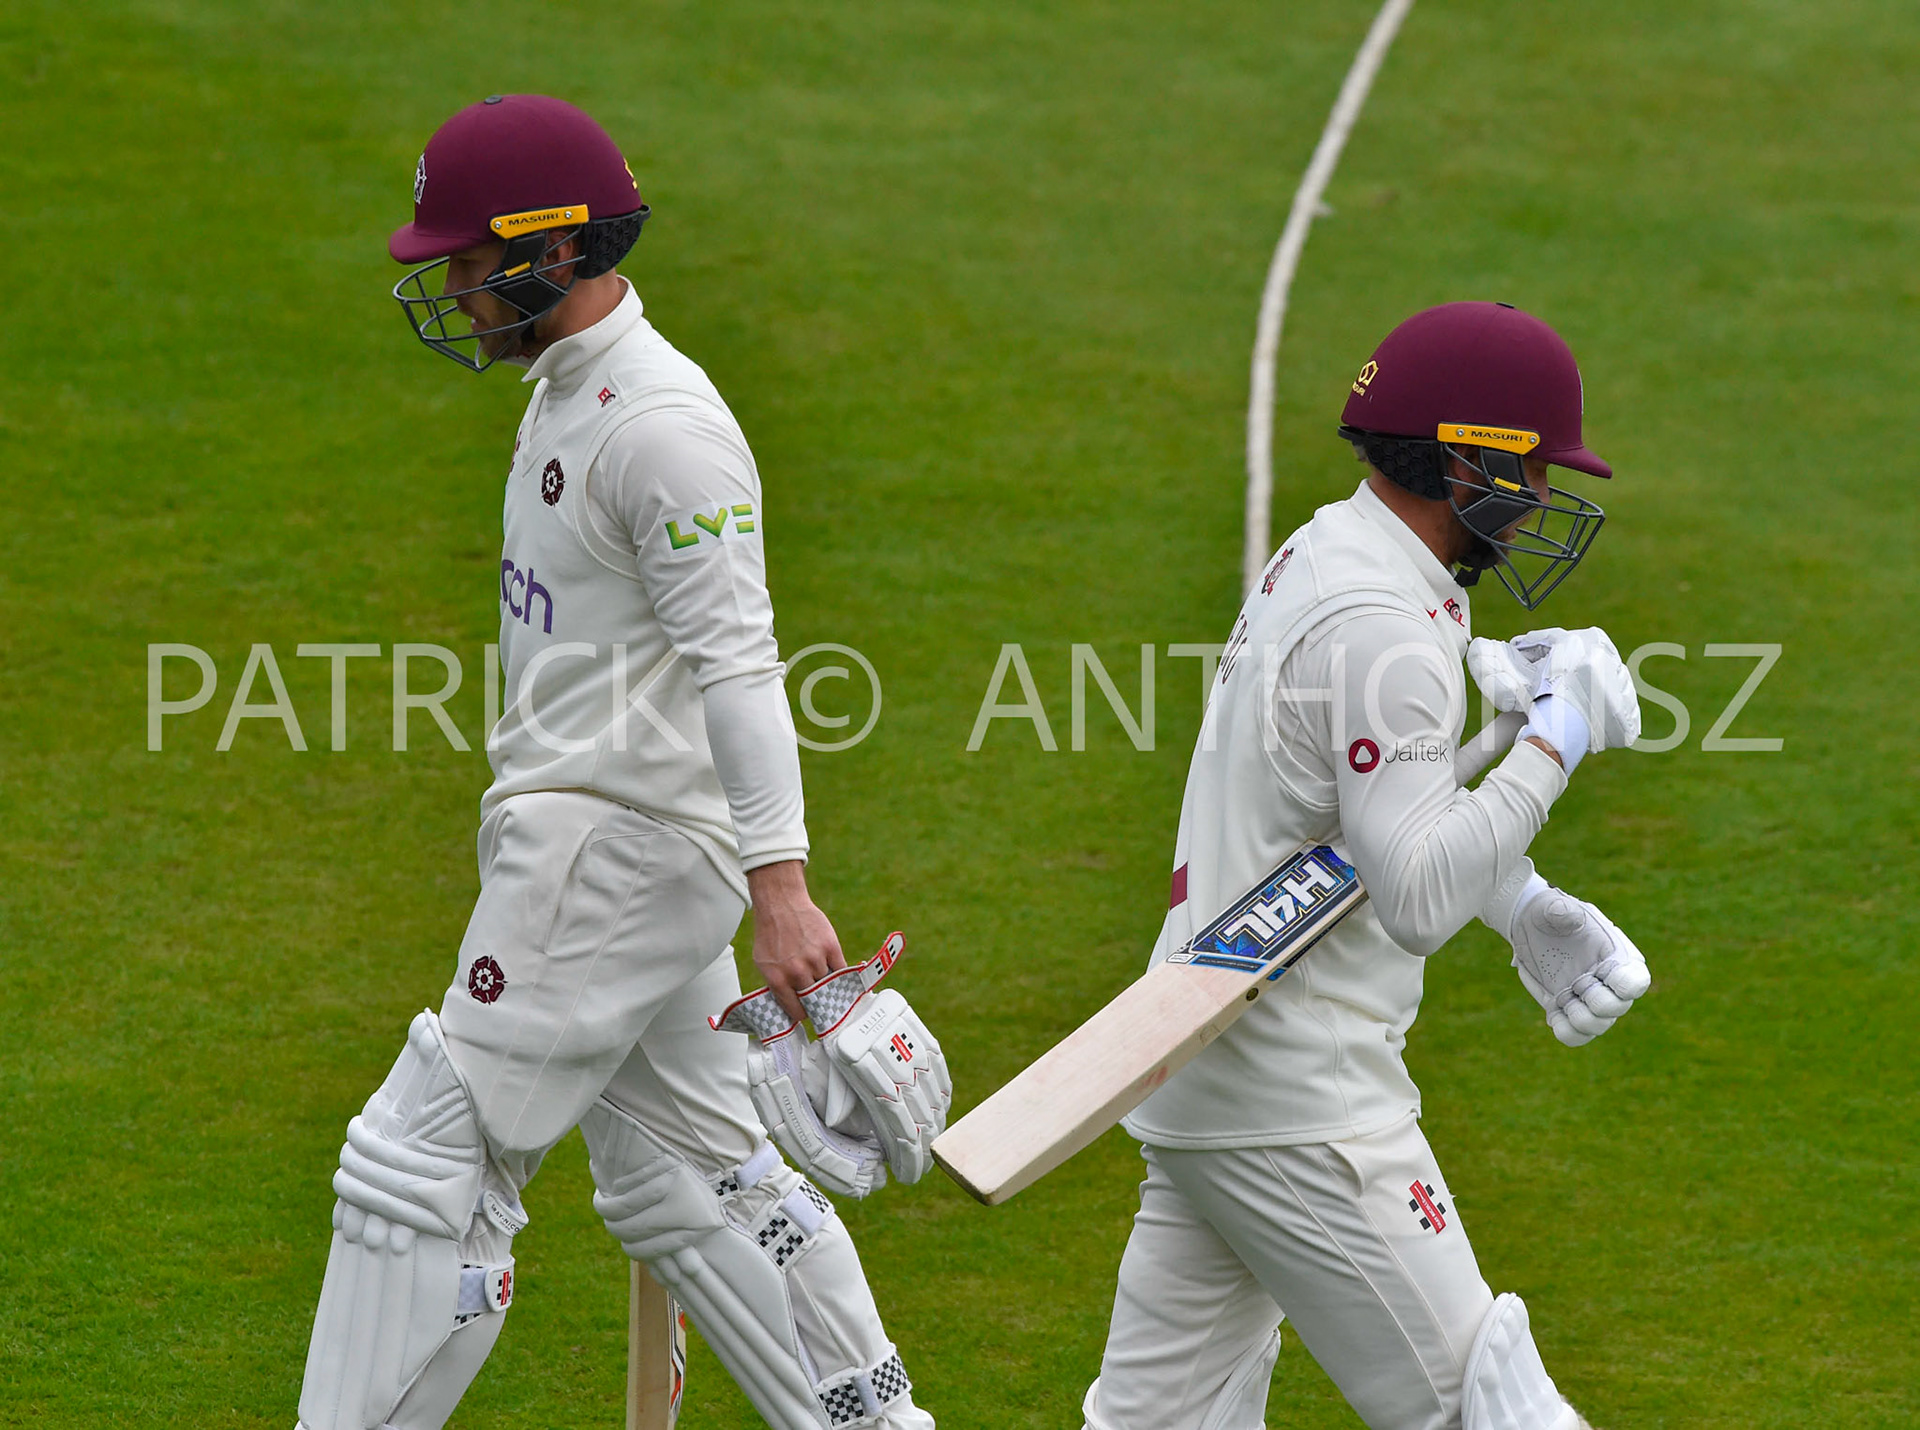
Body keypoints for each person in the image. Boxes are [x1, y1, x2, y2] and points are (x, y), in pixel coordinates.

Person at [296, 95, 941, 1430]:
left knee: (420, 1159)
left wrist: (783, 885)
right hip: (603, 839)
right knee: (695, 1174)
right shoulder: (569, 393)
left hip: (612, 850)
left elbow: (743, 663)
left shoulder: (662, 427)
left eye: (469, 265)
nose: (455, 291)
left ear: (551, 251)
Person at [1081, 302, 1651, 1430]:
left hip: (1207, 1073)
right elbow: (1418, 893)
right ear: (1464, 461)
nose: (1542, 499)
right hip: (1308, 1105)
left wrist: (1523, 900)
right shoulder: (1384, 623)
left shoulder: (1331, 553)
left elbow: (1350, 822)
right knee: (1487, 1410)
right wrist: (1556, 737)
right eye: (1531, 471)